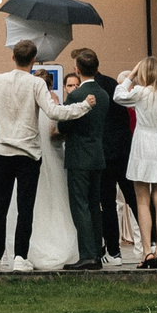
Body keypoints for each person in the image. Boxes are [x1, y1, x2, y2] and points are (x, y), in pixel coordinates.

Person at [0, 40, 69, 271]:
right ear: (33, 60)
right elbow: (53, 111)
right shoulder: (37, 84)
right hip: (28, 153)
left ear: (12, 58)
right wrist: (83, 107)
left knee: (0, 205)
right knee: (25, 207)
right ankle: (20, 256)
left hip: (4, 151)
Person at [113, 59, 157, 266]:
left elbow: (118, 95)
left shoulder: (140, 92)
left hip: (143, 142)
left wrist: (131, 75)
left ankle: (146, 250)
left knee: (142, 202)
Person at [51, 49, 111, 270]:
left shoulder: (76, 96)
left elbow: (64, 125)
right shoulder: (103, 94)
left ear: (77, 69)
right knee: (95, 205)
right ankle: (96, 250)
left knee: (80, 205)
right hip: (97, 154)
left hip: (78, 155)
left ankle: (87, 254)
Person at [97, 50, 135, 260]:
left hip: (104, 153)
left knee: (108, 203)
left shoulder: (93, 89)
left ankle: (114, 250)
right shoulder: (113, 84)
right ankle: (151, 245)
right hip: (124, 151)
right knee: (135, 199)